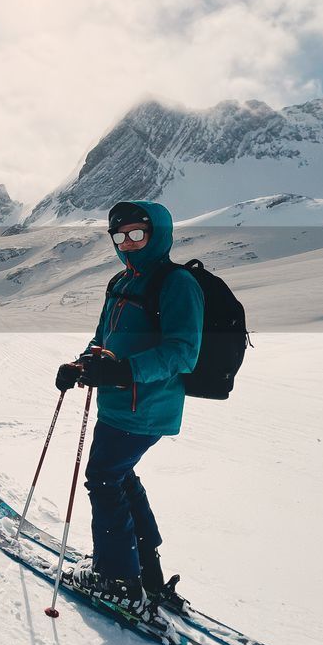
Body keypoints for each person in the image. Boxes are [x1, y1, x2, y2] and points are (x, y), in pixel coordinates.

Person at [55, 200, 204, 621]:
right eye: (119, 237)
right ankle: (144, 570)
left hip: (148, 407)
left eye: (137, 234)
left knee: (103, 478)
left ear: (157, 233)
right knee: (118, 475)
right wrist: (81, 365)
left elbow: (183, 352)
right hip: (117, 406)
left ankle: (117, 577)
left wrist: (124, 371)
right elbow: (103, 339)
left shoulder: (176, 283)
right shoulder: (120, 282)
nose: (128, 244)